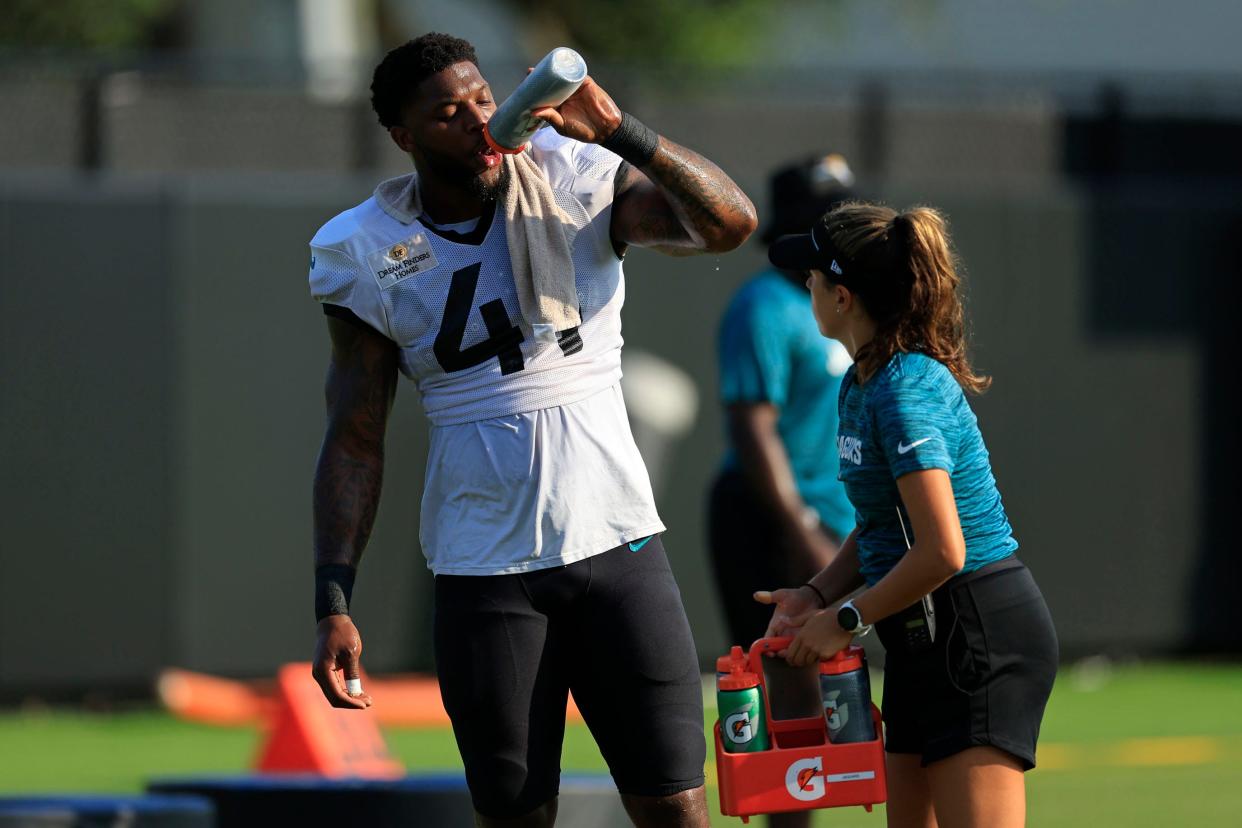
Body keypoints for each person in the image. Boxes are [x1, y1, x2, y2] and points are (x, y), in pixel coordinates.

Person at [306, 33, 756, 828]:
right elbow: (355, 435)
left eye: (483, 98)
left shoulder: (570, 172)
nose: (480, 122)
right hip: (486, 569)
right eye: (449, 113)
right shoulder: (366, 249)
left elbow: (727, 224)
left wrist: (622, 132)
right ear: (405, 137)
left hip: (619, 546)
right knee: (515, 817)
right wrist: (333, 599)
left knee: (679, 811)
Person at [755, 203, 1058, 828]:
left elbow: (943, 550)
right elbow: (882, 520)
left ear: (842, 297)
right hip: (921, 640)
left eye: (811, 275)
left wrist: (845, 618)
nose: (803, 285)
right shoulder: (861, 380)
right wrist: (815, 593)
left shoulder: (902, 389)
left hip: (976, 636)